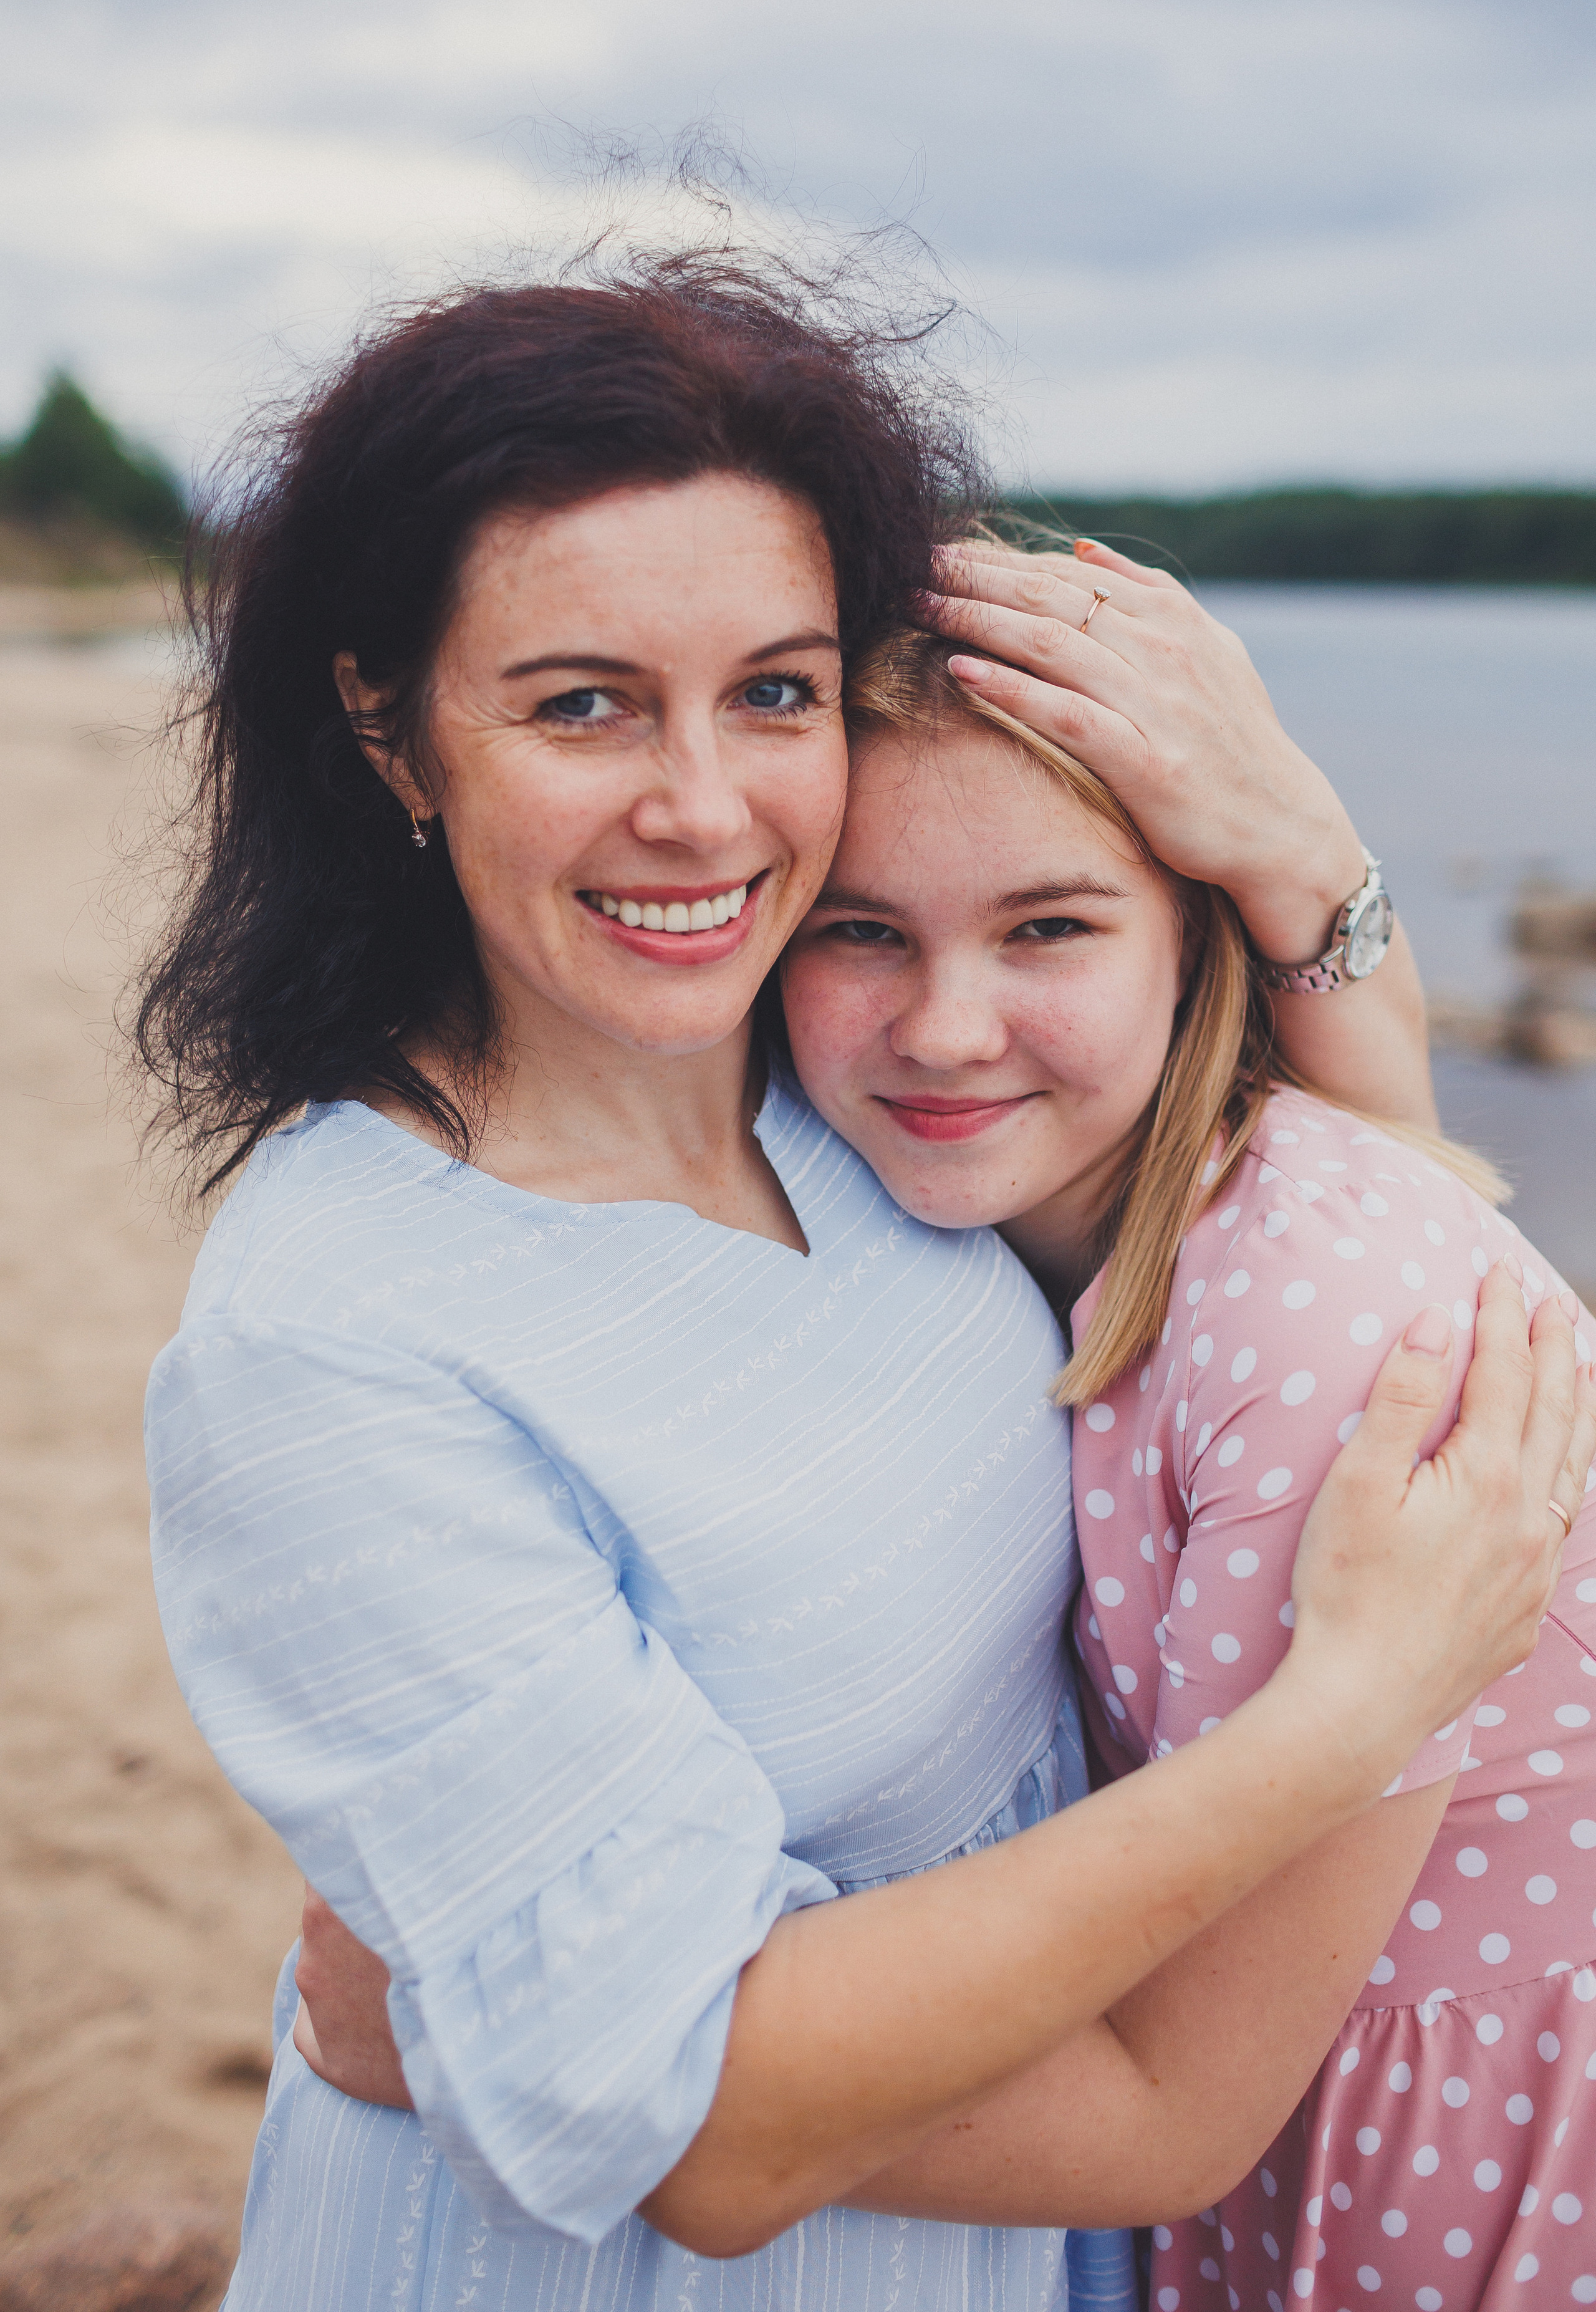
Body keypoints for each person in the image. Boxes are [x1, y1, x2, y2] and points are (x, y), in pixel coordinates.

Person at [138, 266, 1584, 2312]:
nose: (706, 808)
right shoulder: (334, 1344)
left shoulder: (836, 1075)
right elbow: (707, 2129)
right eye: (581, 701)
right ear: (389, 730)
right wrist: (1340, 1716)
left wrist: (1296, 850)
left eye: (777, 691)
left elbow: (1311, 1224)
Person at [776, 584, 1596, 2308]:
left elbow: (1170, 2119)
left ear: (1191, 942)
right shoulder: (1072, 1222)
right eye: (857, 932)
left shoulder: (1318, 1330)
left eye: (1052, 929)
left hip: (1457, 2150)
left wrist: (529, 2071)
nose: (943, 1025)